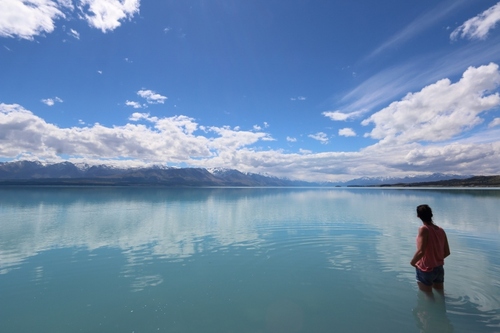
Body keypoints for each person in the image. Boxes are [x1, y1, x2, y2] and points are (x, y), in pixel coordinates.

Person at [410, 204, 450, 292]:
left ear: (418, 216)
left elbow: (421, 251)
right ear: (431, 214)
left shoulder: (424, 229)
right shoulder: (441, 230)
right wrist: (435, 261)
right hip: (439, 268)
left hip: (426, 269)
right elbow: (447, 252)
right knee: (440, 294)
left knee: (427, 297)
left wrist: (412, 263)